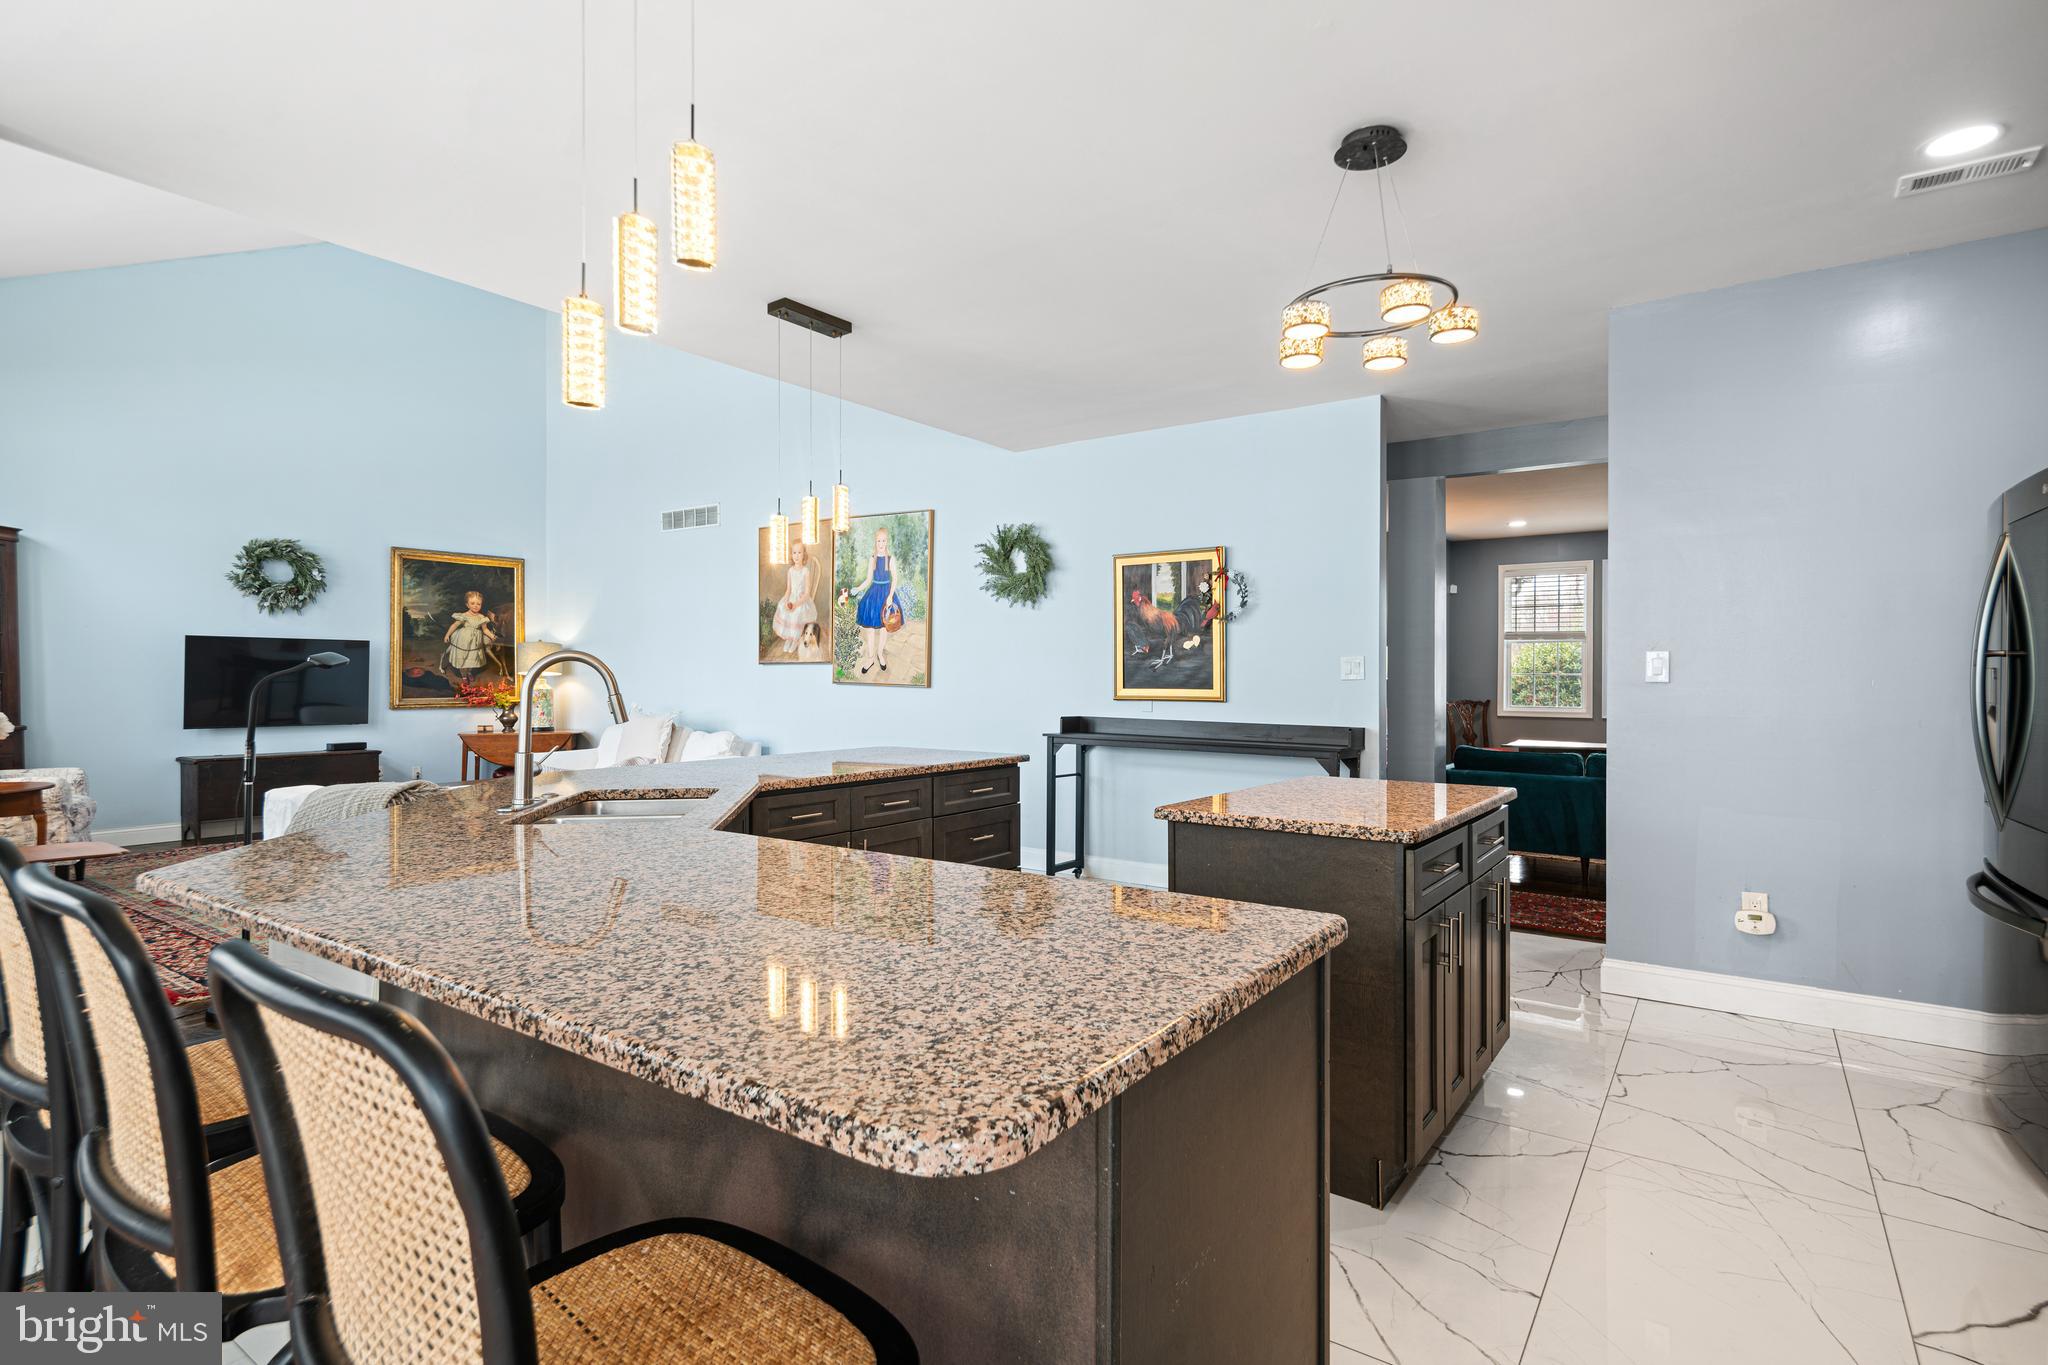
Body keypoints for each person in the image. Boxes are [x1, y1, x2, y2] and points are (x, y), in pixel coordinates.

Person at [840, 527, 901, 676]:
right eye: (879, 540)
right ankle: (870, 658)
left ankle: (880, 654)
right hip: (874, 593)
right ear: (876, 541)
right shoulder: (872, 558)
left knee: (884, 627)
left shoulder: (890, 559)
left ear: (887, 542)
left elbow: (895, 578)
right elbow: (868, 579)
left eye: (883, 540)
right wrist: (858, 589)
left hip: (886, 593)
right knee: (870, 629)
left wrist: (890, 596)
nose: (881, 543)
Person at [770, 540, 820, 656]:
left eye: (799, 552)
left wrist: (796, 604)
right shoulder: (790, 571)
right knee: (783, 608)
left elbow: (807, 593)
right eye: (794, 553)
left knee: (797, 613)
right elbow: (788, 590)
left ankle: (796, 639)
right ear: (791, 555)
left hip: (802, 600)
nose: (796, 556)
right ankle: (789, 638)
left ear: (804, 554)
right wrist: (786, 601)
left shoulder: (805, 571)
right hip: (792, 598)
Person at [442, 590, 496, 681]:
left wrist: (492, 636)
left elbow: (485, 630)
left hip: (475, 642)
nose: (475, 606)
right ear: (467, 605)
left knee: (473, 658)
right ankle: (463, 675)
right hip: (463, 640)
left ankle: (469, 672)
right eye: (472, 603)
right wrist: (447, 635)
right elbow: (455, 625)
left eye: (478, 604)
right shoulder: (464, 616)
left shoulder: (482, 617)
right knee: (463, 659)